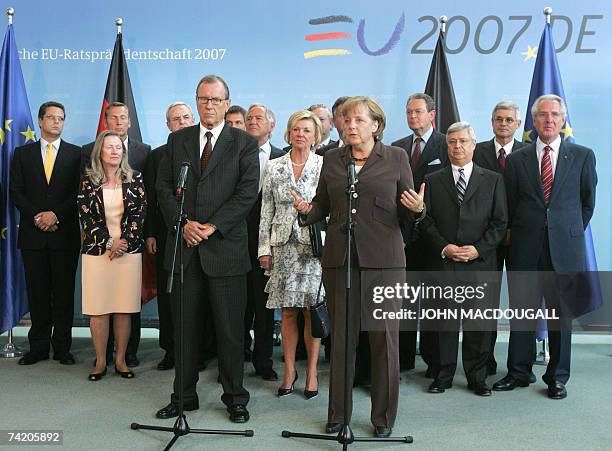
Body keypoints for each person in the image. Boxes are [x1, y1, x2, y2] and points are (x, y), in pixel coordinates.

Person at [292, 96, 425, 438]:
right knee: (343, 341)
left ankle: (383, 418)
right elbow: (323, 205)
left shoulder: (395, 158)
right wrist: (307, 211)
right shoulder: (332, 160)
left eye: (358, 121)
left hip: (384, 263)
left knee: (383, 342)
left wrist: (419, 208)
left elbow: (409, 211)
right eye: (345, 121)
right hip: (340, 262)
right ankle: (338, 414)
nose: (350, 126)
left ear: (376, 126)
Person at [155, 74, 259, 423]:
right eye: (204, 99)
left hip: (225, 250)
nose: (209, 105)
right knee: (184, 331)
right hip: (184, 250)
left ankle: (235, 398)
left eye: (216, 100)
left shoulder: (243, 143)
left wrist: (211, 227)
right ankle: (183, 397)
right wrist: (182, 224)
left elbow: (246, 194)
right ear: (196, 101)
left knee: (230, 332)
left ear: (227, 103)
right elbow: (164, 189)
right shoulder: (177, 140)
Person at [493, 94, 597, 400]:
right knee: (522, 311)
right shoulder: (517, 159)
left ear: (563, 120)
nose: (548, 120)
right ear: (533, 121)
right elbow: (509, 205)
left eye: (554, 115)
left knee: (560, 315)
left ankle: (557, 376)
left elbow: (587, 204)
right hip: (525, 246)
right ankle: (518, 371)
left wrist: (566, 232)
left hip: (564, 249)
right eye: (542, 115)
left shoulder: (582, 155)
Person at [420, 121, 507, 396]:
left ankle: (477, 377)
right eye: (452, 142)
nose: (457, 146)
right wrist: (445, 247)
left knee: (478, 325)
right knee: (444, 323)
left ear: (473, 145)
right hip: (444, 262)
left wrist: (479, 249)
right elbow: (426, 222)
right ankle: (443, 375)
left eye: (462, 142)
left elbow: (500, 222)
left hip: (480, 264)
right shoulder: (433, 180)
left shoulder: (493, 179)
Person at [9, 101, 82, 366]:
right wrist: (38, 216)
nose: (56, 122)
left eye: (61, 118)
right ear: (40, 121)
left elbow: (79, 193)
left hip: (64, 234)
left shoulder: (76, 154)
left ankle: (62, 347)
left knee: (63, 293)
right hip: (33, 234)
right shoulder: (22, 153)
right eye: (51, 117)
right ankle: (38, 347)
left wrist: (56, 215)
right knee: (37, 292)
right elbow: (16, 191)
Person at [259, 110, 324, 398]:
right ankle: (288, 370)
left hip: (313, 248)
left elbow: (330, 209)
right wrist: (264, 249)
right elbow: (266, 211)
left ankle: (311, 372)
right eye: (296, 129)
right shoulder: (274, 167)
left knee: (312, 311)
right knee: (287, 312)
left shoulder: (325, 165)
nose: (301, 134)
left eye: (307, 130)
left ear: (315, 136)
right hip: (282, 246)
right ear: (288, 133)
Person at [82, 101, 151, 368]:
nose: (114, 150)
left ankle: (121, 360)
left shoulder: (135, 179)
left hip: (128, 253)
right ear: (100, 151)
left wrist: (123, 244)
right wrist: (110, 242)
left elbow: (138, 215)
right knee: (99, 310)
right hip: (97, 252)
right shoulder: (88, 181)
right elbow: (87, 217)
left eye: (118, 147)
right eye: (109, 147)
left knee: (124, 309)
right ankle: (100, 361)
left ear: (124, 151)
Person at [391, 92, 448, 375]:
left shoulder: (446, 144)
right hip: (400, 236)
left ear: (431, 115)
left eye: (418, 112)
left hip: (433, 234)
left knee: (433, 303)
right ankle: (401, 361)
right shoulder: (397, 147)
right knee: (403, 301)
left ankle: (435, 363)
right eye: (409, 112)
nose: (412, 116)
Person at [473, 100, 527, 377]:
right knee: (486, 304)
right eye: (498, 119)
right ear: (492, 122)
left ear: (518, 124)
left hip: (520, 240)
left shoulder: (529, 153)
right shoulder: (477, 151)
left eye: (508, 119)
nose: (503, 123)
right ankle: (485, 362)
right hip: (486, 240)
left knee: (522, 302)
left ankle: (521, 366)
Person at [144, 102, 196, 371]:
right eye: (177, 119)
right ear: (168, 125)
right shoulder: (157, 155)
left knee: (197, 296)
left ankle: (198, 351)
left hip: (198, 235)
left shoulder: (204, 150)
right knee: (169, 296)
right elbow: (153, 199)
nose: (183, 122)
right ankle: (170, 351)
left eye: (187, 117)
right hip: (167, 236)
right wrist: (151, 232)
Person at [244, 103, 285, 379]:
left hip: (269, 243)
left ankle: (264, 362)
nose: (252, 121)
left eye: (259, 118)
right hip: (235, 240)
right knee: (239, 306)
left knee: (265, 305)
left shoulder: (283, 158)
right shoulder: (234, 154)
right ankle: (236, 358)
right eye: (249, 118)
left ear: (271, 126)